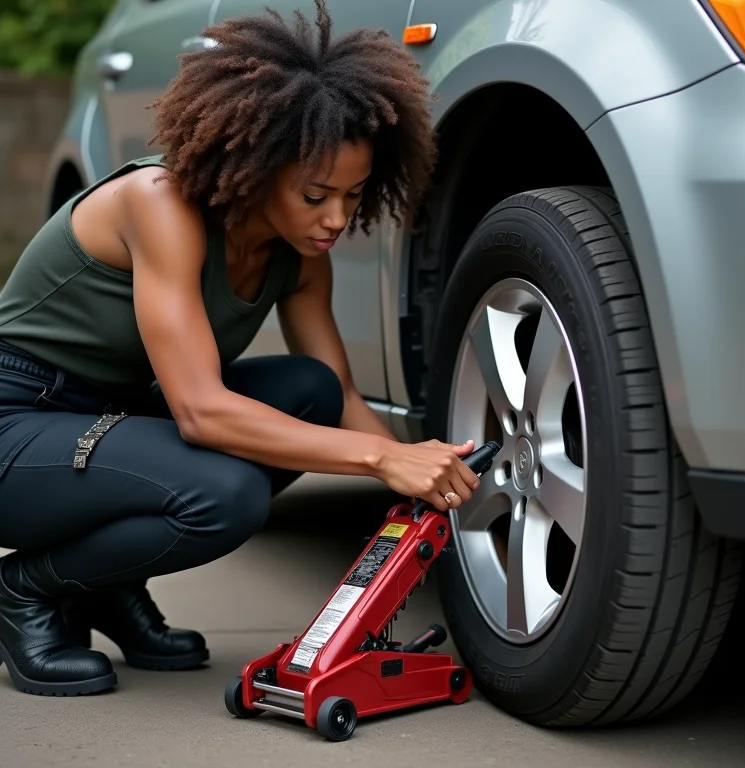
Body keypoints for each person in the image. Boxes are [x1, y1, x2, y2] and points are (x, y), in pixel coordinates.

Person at [0, 0, 480, 698]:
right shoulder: (160, 205)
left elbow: (337, 398)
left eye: (354, 195)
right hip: (18, 421)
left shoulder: (299, 248)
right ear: (253, 167)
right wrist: (385, 456)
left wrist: (416, 491)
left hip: (111, 418)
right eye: (316, 194)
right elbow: (200, 413)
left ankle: (102, 585)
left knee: (308, 389)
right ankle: (25, 589)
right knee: (224, 495)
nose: (338, 218)